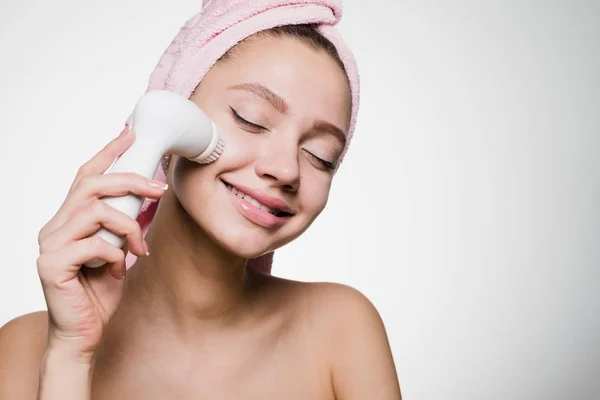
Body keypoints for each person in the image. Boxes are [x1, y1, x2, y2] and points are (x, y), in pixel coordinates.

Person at [0, 2, 402, 399]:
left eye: (320, 156)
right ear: (172, 114)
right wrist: (71, 354)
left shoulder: (340, 329)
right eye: (251, 118)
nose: (286, 170)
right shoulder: (25, 348)